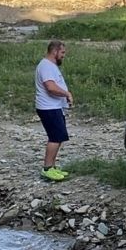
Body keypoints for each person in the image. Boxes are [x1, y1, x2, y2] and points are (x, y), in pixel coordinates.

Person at [35, 40, 73, 182]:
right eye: (62, 52)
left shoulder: (50, 66)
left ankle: (52, 166)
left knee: (58, 137)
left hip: (54, 107)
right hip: (48, 108)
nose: (64, 55)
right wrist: (67, 94)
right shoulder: (46, 66)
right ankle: (47, 169)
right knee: (55, 137)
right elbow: (50, 87)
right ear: (54, 51)